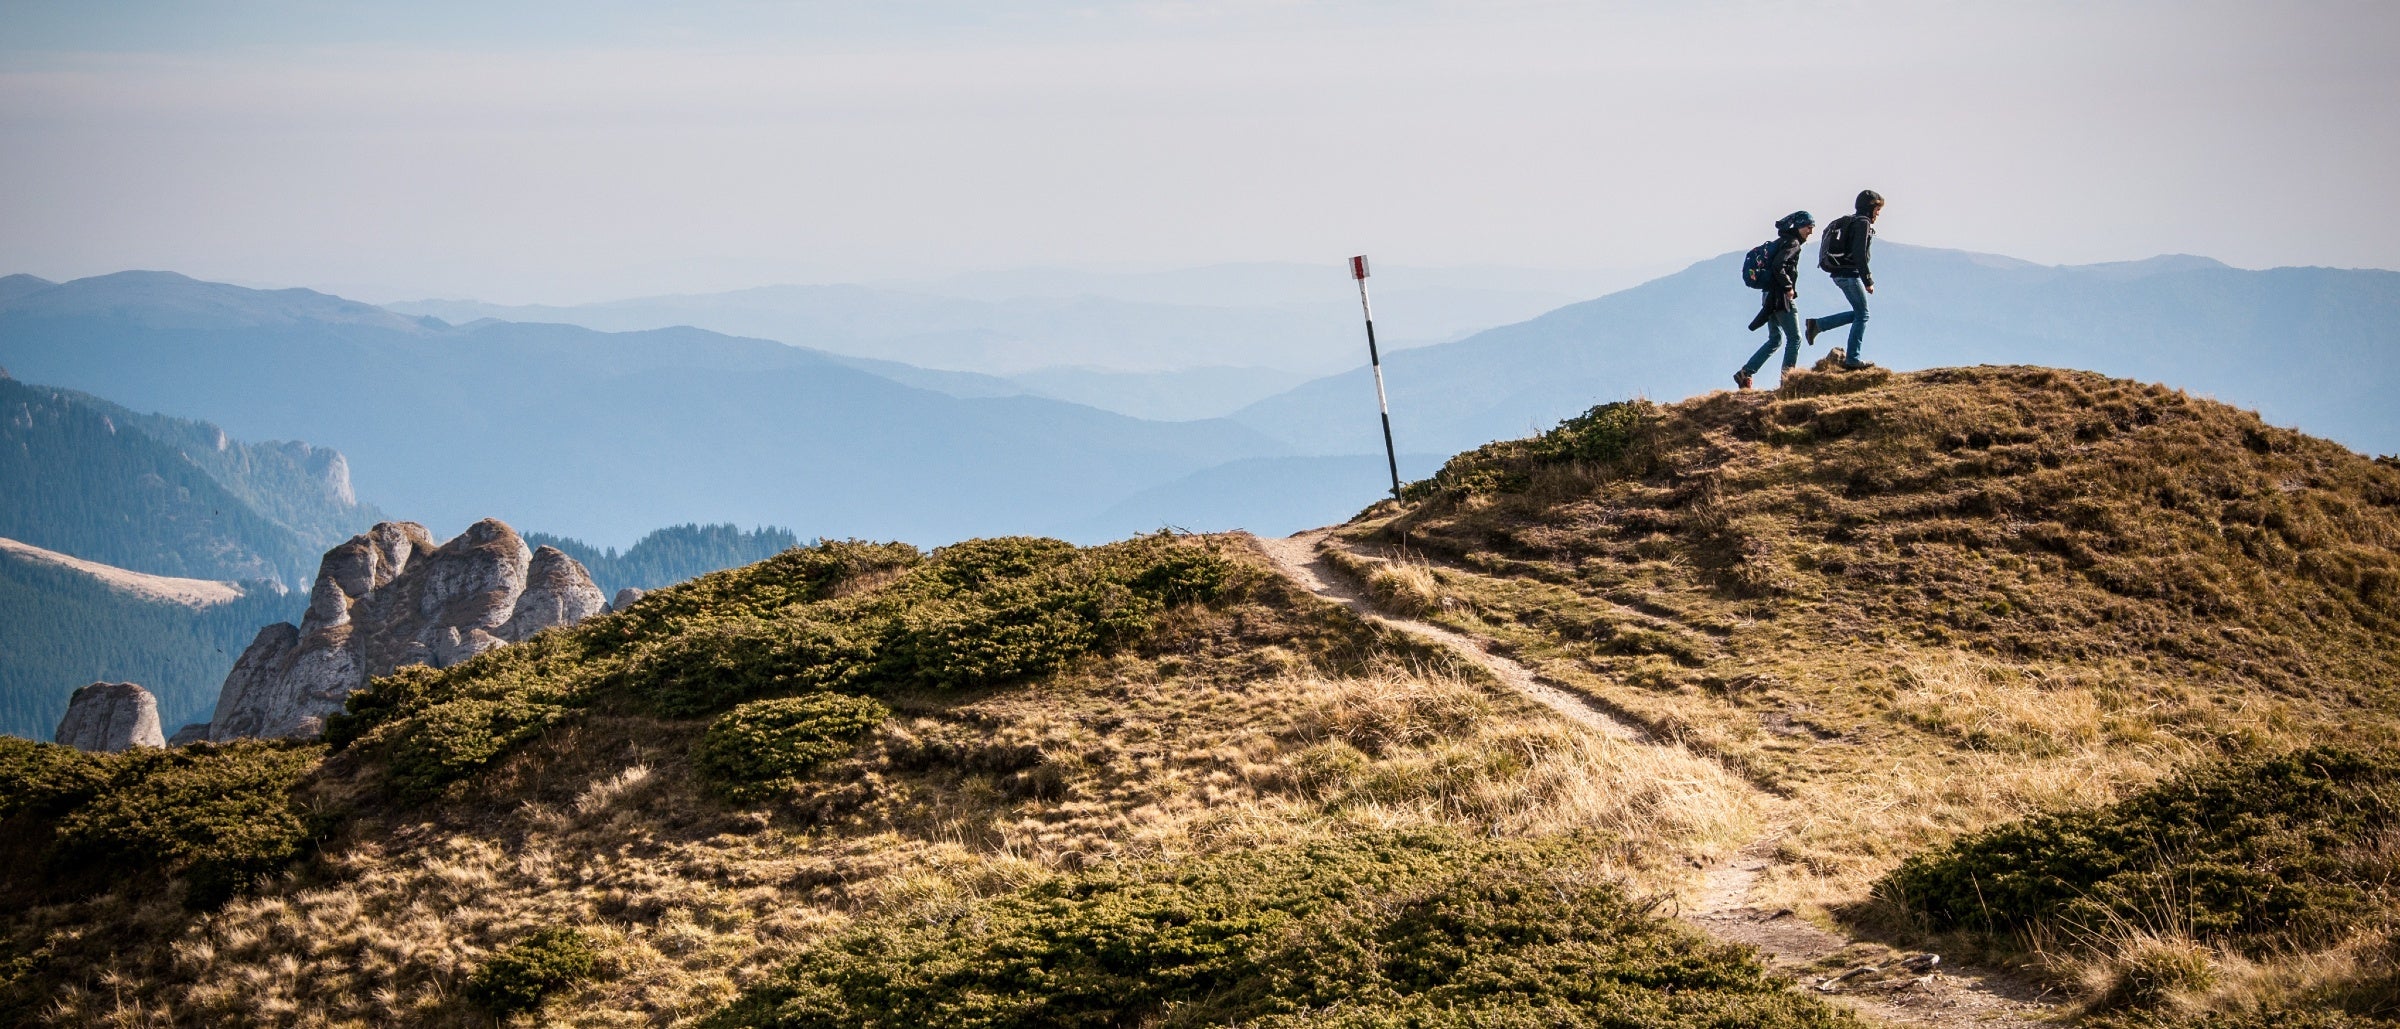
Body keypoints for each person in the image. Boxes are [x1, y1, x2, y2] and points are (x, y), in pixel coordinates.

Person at [1734, 211, 1813, 390]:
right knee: (1795, 338)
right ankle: (1788, 382)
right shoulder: (1792, 243)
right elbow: (1779, 265)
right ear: (1798, 226)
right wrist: (1788, 287)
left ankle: (1745, 373)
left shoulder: (1782, 241)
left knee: (1775, 339)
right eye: (1808, 227)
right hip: (1780, 297)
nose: (1811, 231)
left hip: (1768, 295)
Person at [1806, 190, 1884, 369]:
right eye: (1877, 209)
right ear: (1870, 208)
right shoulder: (1863, 223)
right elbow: (1859, 255)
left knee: (1859, 313)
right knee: (1863, 314)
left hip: (1839, 274)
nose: (1878, 214)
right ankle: (1853, 359)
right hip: (1850, 274)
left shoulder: (1853, 221)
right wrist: (1868, 280)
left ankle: (1817, 325)